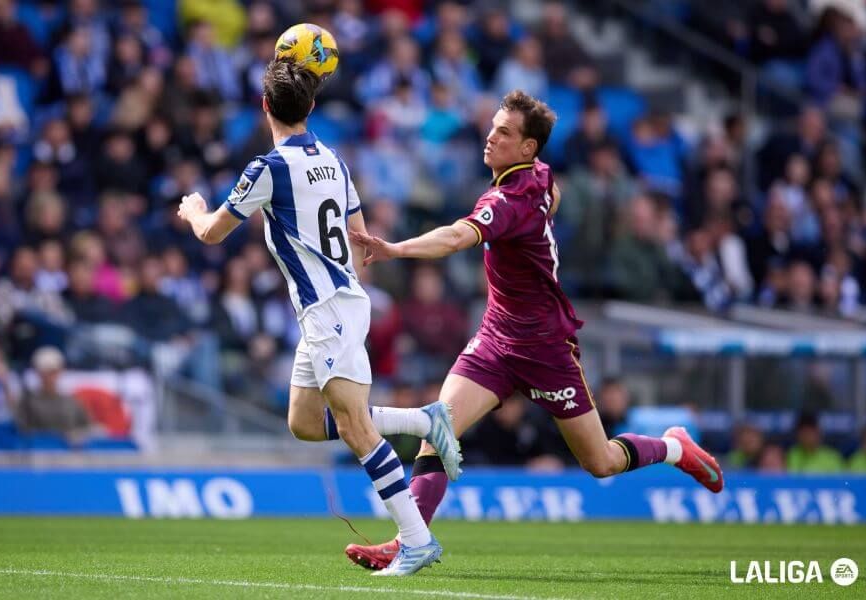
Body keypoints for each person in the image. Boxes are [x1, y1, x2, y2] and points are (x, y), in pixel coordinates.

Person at [346, 90, 725, 570]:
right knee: (438, 432)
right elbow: (555, 193)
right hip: (496, 339)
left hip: (546, 348)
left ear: (527, 148)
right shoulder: (540, 178)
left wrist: (395, 249)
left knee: (600, 462)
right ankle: (409, 542)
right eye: (493, 126)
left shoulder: (507, 199)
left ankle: (675, 447)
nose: (490, 137)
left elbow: (458, 236)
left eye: (504, 132)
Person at [176, 57, 461, 576]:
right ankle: (424, 420)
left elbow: (213, 233)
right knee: (304, 422)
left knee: (354, 426)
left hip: (329, 309)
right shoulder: (335, 159)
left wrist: (193, 208)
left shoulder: (268, 168)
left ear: (265, 107)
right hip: (333, 305)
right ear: (311, 106)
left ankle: (417, 541)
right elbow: (359, 235)